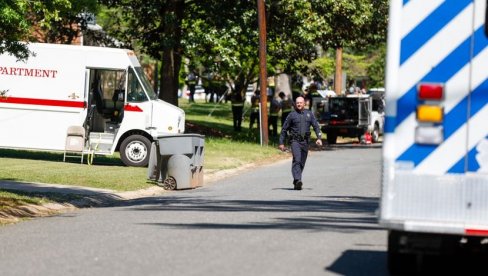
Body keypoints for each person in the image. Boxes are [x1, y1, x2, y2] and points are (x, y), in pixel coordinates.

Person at [279, 96, 322, 190]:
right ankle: (298, 179)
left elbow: (316, 126)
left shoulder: (309, 114)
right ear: (295, 104)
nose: (299, 104)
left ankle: (296, 181)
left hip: (305, 142)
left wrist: (319, 138)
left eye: (300, 102)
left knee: (302, 162)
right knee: (297, 159)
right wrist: (281, 143)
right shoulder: (291, 115)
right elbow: (284, 129)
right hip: (295, 141)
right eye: (297, 102)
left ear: (304, 103)